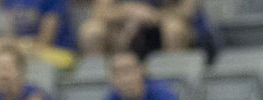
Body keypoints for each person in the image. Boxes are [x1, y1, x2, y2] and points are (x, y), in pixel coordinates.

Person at [78, 0, 216, 58]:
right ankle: (99, 85)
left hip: (168, 29)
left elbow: (187, 10)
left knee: (174, 29)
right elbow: (101, 12)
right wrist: (129, 11)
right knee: (92, 31)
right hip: (128, 29)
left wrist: (153, 15)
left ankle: (173, 77)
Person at [0, 0, 79, 66]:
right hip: (23, 49)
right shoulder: (9, 2)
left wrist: (17, 45)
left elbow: (45, 41)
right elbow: (10, 34)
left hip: (57, 53)